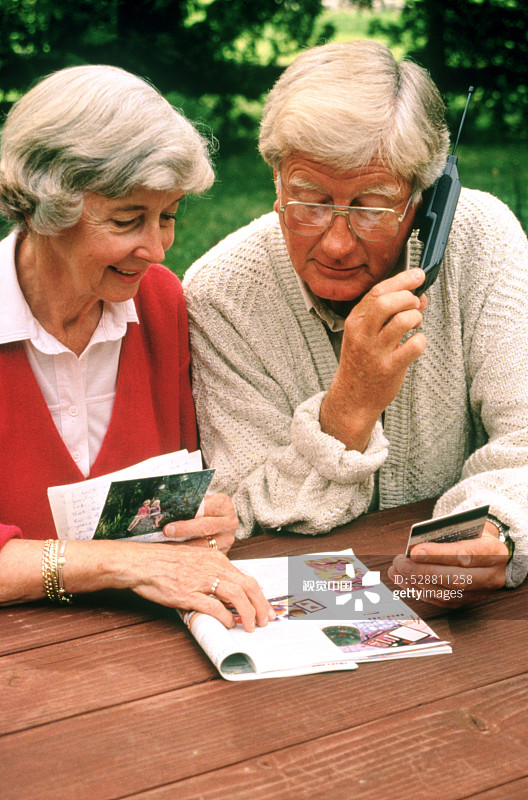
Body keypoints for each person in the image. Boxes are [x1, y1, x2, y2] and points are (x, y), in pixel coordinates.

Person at [183, 40, 528, 608]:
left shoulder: (483, 240)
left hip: (463, 611)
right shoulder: (220, 293)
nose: (336, 242)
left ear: (424, 196)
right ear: (274, 181)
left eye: (371, 206)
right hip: (290, 612)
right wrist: (350, 406)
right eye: (308, 200)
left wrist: (494, 528)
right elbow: (245, 504)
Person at [0, 64, 273, 632]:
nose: (157, 249)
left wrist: (204, 517)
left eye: (168, 216)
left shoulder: (159, 304)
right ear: (47, 209)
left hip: (141, 648)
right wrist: (122, 564)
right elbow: (134, 559)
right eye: (128, 221)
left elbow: (172, 490)